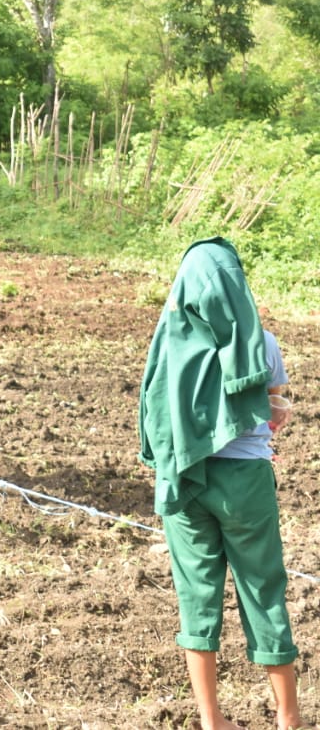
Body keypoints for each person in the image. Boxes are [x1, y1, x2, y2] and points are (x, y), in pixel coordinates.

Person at [139, 237, 306, 730]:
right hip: (246, 482)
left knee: (196, 596)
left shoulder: (167, 348)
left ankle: (212, 721)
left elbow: (154, 415)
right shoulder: (263, 343)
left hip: (185, 482)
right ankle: (289, 717)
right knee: (263, 588)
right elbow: (272, 407)